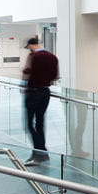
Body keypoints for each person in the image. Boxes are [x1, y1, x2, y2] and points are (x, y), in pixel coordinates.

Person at [22, 37, 59, 166]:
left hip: (33, 92)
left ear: (32, 45)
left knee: (29, 124)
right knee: (40, 123)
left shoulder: (34, 57)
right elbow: (55, 76)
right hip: (45, 92)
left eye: (29, 47)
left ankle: (40, 153)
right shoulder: (53, 57)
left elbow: (27, 72)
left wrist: (25, 85)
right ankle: (40, 153)